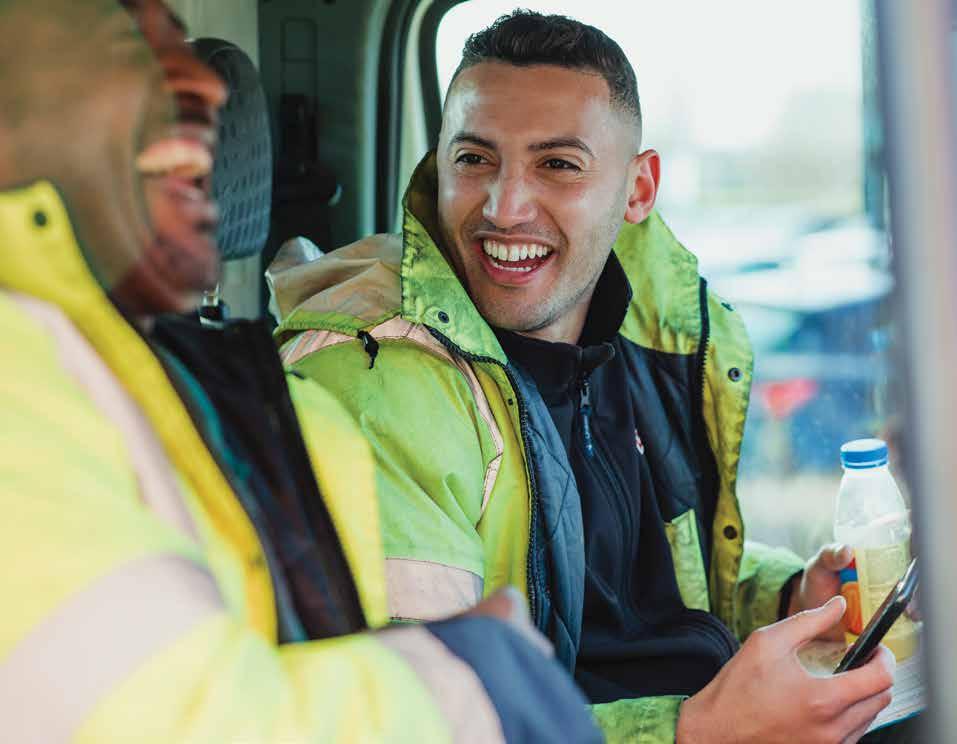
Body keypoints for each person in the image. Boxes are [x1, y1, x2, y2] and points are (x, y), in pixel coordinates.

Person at [268, 9, 896, 743]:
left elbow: (636, 588)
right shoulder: (377, 384)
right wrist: (693, 732)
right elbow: (411, 724)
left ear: (638, 190)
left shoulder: (638, 342)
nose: (504, 207)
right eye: (473, 159)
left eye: (557, 164)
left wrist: (784, 596)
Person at [0, 2, 603, 741]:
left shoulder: (220, 392)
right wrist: (482, 676)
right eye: (125, 37)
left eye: (559, 164)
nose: (204, 83)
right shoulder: (21, 380)